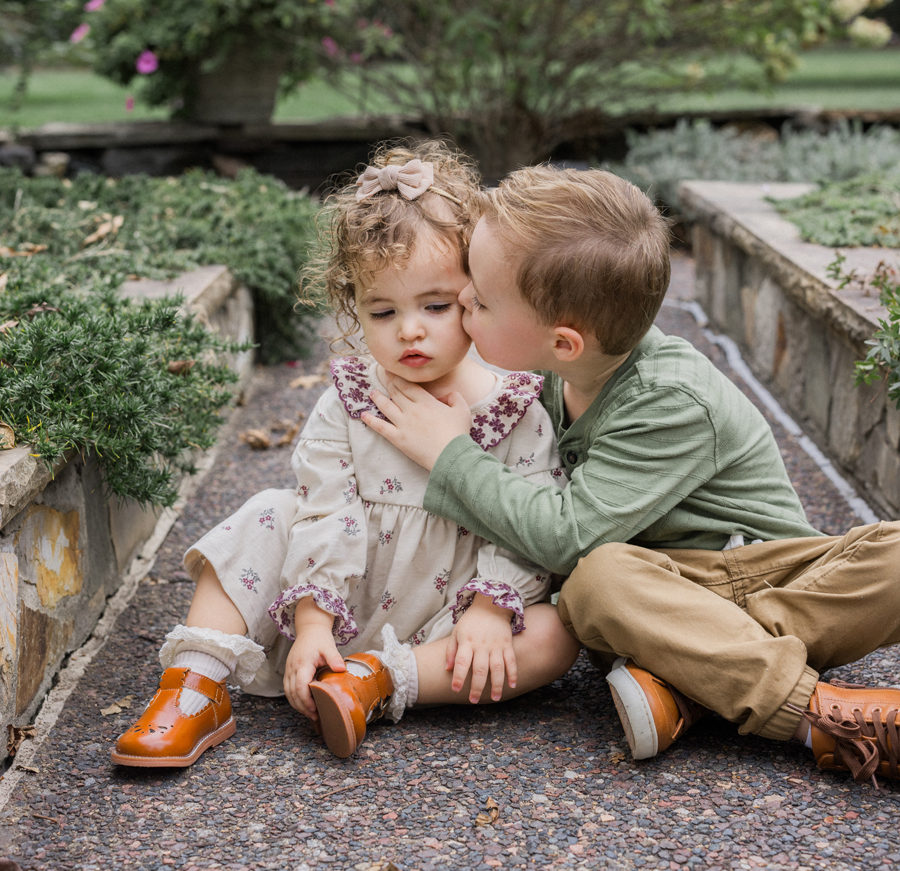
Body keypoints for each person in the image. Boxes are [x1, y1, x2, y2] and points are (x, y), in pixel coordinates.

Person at [363, 164, 900, 789]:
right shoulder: (560, 373)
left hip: (756, 574)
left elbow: (566, 538)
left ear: (564, 342)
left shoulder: (670, 398)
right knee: (602, 582)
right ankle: (700, 681)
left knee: (595, 573)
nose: (460, 302)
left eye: (478, 300)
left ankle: (811, 717)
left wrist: (452, 454)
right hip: (653, 597)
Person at [111, 143, 579, 769]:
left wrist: (493, 609)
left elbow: (528, 514)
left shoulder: (517, 405)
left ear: (476, 292)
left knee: (554, 634)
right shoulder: (352, 402)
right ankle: (196, 684)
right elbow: (324, 511)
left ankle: (374, 680)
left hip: (450, 627)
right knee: (269, 512)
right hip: (331, 608)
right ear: (353, 305)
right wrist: (309, 623)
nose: (410, 330)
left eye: (436, 306)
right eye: (383, 311)